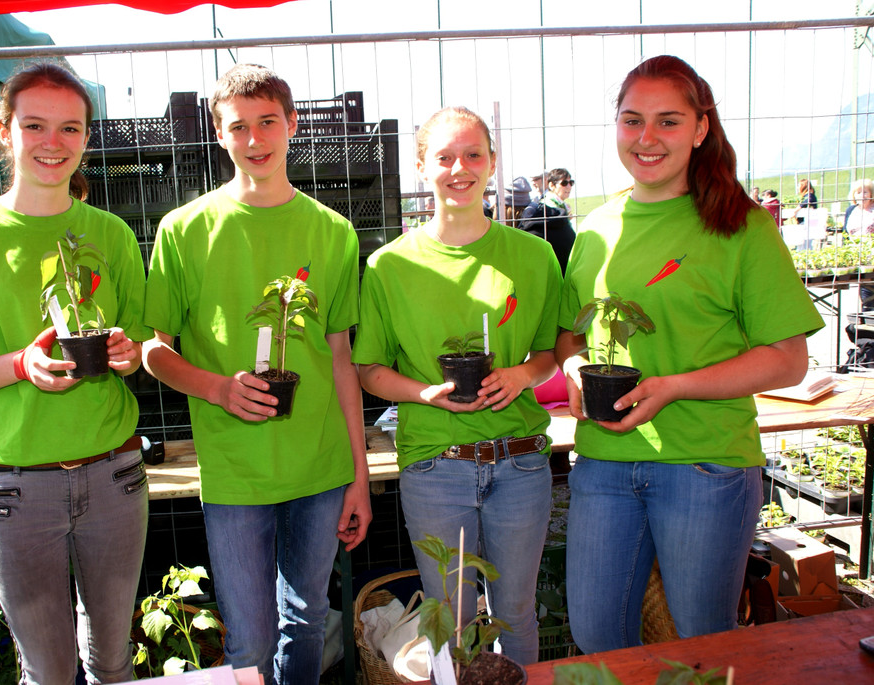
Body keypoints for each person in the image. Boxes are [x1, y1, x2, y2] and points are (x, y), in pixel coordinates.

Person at [554, 55, 824, 654]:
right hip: (604, 462)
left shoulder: (740, 226)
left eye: (668, 121)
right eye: (632, 120)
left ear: (701, 128)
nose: (646, 138)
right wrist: (572, 365)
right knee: (598, 637)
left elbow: (787, 359)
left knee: (703, 645)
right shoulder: (596, 227)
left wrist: (674, 385)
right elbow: (569, 334)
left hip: (705, 465)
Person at [0, 62, 151, 684]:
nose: (53, 142)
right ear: (4, 131)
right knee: (47, 671)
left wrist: (127, 353)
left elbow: (142, 344)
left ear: (87, 138)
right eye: (34, 125)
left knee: (114, 663)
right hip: (16, 490)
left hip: (114, 475)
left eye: (70, 128)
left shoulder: (110, 235)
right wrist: (21, 364)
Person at [141, 63, 371, 685]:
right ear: (218, 134)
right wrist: (218, 388)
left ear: (292, 124)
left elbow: (341, 360)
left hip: (319, 466)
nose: (254, 139)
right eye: (238, 126)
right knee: (249, 635)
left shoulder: (333, 231)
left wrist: (358, 475)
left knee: (307, 617)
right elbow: (154, 351)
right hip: (234, 469)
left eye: (268, 121)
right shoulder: (183, 230)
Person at [353, 106, 562, 666]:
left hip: (520, 462)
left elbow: (551, 351)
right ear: (423, 166)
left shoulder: (534, 256)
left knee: (516, 612)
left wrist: (522, 375)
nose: (459, 169)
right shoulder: (389, 266)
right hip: (435, 469)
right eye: (444, 157)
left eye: (473, 155)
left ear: (492, 162)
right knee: (450, 619)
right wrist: (423, 392)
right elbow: (368, 369)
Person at [519, 167, 578, 274]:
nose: (569, 186)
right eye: (564, 183)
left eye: (571, 183)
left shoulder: (561, 205)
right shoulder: (549, 206)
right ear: (551, 185)